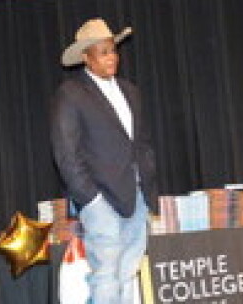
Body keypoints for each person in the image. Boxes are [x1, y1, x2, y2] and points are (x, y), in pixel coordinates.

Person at [51, 18, 158, 303]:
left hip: (136, 195)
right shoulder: (72, 94)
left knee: (127, 272)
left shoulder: (130, 91)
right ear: (86, 57)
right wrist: (91, 199)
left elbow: (141, 142)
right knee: (106, 275)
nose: (111, 57)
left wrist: (146, 180)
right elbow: (66, 153)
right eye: (103, 52)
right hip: (101, 200)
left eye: (113, 50)